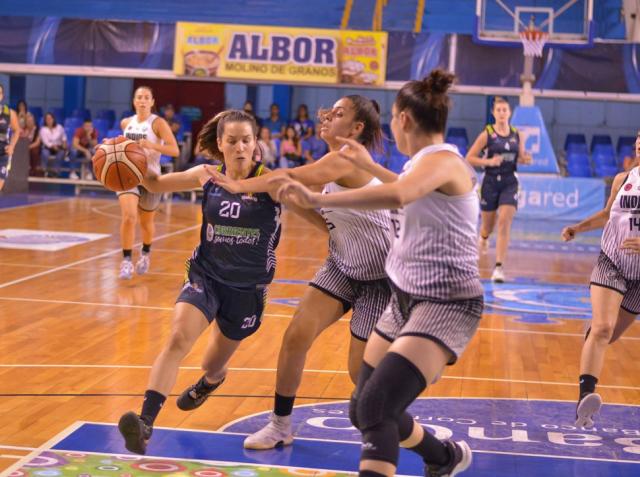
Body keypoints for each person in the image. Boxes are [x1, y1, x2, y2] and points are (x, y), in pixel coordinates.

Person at [273, 70, 480, 477]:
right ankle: (444, 457)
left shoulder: (444, 159)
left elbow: (401, 193)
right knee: (362, 405)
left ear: (403, 119)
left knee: (376, 405)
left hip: (445, 302)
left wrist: (316, 197)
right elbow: (405, 185)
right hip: (405, 298)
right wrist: (370, 166)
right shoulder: (422, 166)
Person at [187, 95, 392, 452]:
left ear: (357, 129)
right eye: (330, 108)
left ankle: (397, 424)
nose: (327, 114)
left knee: (359, 374)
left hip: (379, 279)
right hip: (342, 266)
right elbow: (315, 208)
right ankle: (280, 425)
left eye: (339, 113)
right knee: (296, 336)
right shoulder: (334, 161)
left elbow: (290, 175)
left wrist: (238, 185)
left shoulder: (345, 159)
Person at [117, 109, 323, 455]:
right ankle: (145, 421)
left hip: (247, 290)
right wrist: (136, 160)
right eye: (232, 141)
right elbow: (154, 185)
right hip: (206, 275)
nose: (240, 147)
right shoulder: (206, 175)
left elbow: (315, 217)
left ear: (256, 143)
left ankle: (212, 380)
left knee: (211, 364)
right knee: (178, 338)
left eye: (246, 140)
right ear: (220, 144)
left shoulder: (271, 183)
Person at [561, 133, 640, 428]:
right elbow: (608, 214)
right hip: (613, 262)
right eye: (639, 137)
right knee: (603, 329)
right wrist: (578, 228)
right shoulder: (623, 179)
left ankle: (592, 335)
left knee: (607, 335)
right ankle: (585, 400)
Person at [466, 97, 532, 283]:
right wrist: (488, 162)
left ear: (509, 113)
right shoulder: (487, 134)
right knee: (488, 226)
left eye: (505, 110)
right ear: (494, 113)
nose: (502, 113)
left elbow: (520, 157)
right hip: (490, 182)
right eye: (499, 110)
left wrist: (526, 159)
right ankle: (484, 237)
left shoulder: (516, 134)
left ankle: (499, 267)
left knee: (504, 221)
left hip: (510, 182)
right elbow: (469, 158)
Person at [117, 86, 179, 280]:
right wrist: (108, 148)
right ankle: (126, 261)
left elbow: (174, 150)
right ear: (134, 101)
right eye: (139, 97)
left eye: (146, 98)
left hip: (151, 178)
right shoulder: (126, 123)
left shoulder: (158, 123)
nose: (143, 100)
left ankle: (145, 253)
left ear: (152, 102)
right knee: (128, 217)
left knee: (146, 223)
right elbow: (120, 146)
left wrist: (152, 145)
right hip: (128, 175)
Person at [0, 85, 21, 191]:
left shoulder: (10, 113)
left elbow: (17, 130)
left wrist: (12, 146)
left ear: (2, 96)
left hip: (3, 152)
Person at [39, 112, 66, 177]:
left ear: (53, 119)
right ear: (45, 120)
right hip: (47, 147)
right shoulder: (43, 129)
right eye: (47, 119)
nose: (49, 120)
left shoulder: (59, 127)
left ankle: (55, 172)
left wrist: (64, 144)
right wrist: (53, 146)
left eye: (50, 118)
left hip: (58, 147)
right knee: (45, 153)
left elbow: (64, 138)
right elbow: (46, 142)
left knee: (61, 153)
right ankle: (43, 171)